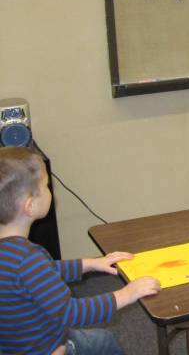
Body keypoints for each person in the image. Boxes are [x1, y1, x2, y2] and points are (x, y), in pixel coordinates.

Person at [0, 147, 161, 355]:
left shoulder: (16, 257)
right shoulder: (27, 258)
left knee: (103, 339)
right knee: (104, 342)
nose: (51, 191)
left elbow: (42, 274)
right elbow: (71, 312)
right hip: (48, 347)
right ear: (29, 206)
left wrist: (90, 264)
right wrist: (126, 294)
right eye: (46, 186)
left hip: (13, 346)